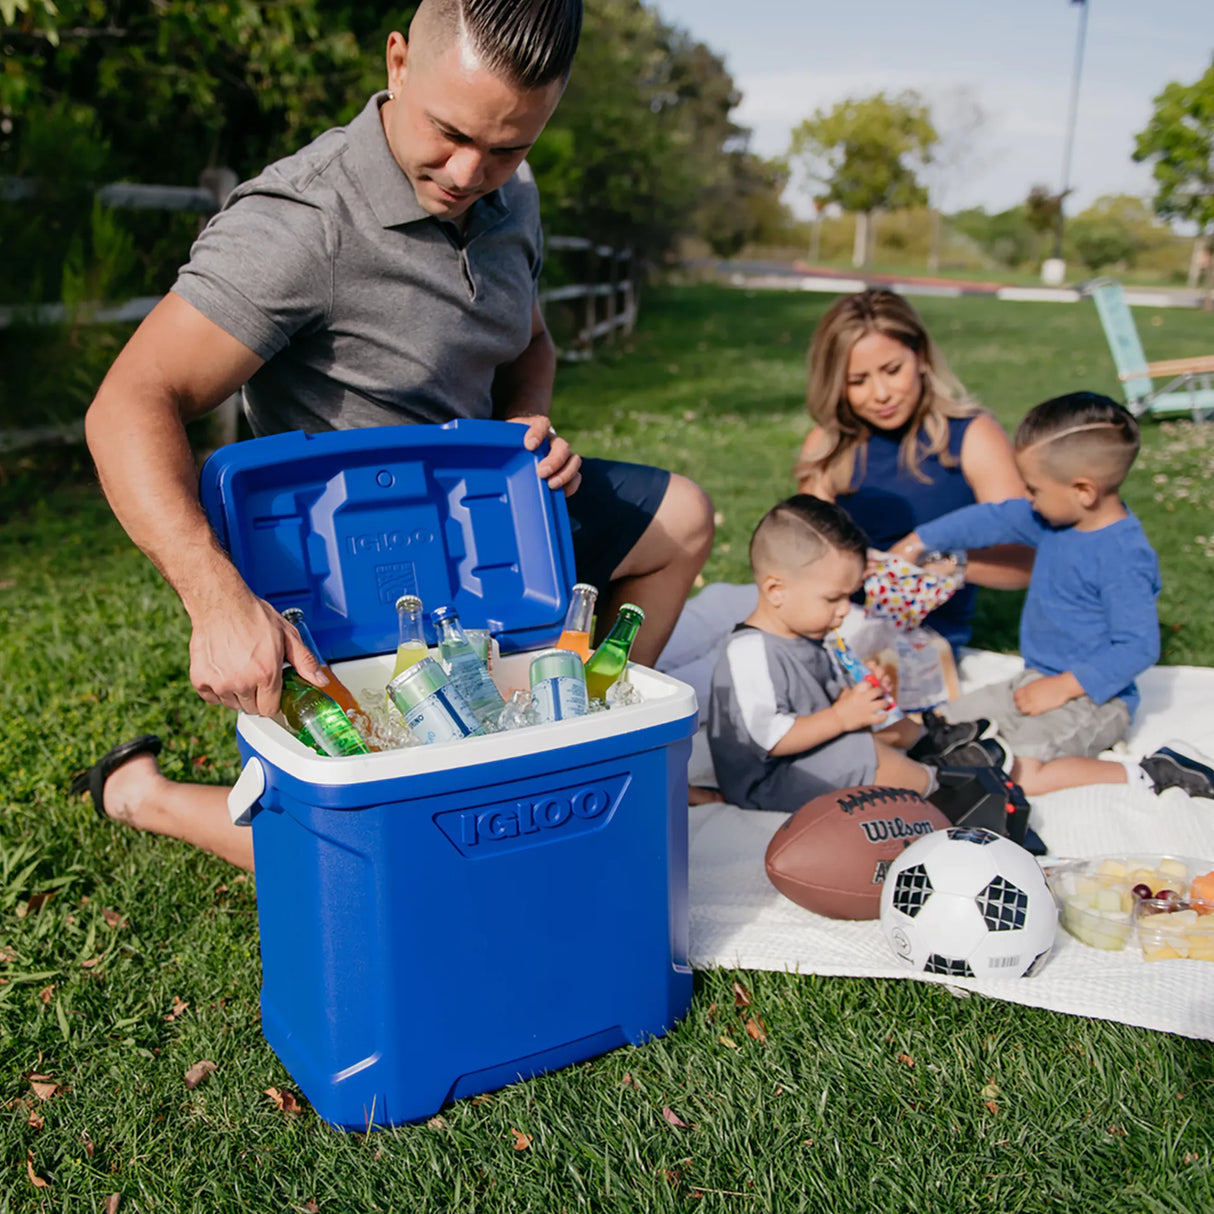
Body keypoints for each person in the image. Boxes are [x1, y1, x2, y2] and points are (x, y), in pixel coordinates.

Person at [73, 0, 713, 870]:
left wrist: (525, 426)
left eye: (508, 146)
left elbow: (530, 340)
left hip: (485, 534)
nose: (470, 172)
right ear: (398, 62)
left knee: (682, 518)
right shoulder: (301, 221)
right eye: (450, 133)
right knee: (400, 859)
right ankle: (141, 794)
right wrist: (215, 599)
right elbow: (129, 401)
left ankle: (572, 750)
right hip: (349, 571)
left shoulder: (511, 194)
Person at [895, 391, 1214, 800]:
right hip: (1032, 680)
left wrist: (1064, 686)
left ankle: (1152, 772)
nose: (1028, 500)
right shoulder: (1054, 519)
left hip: (1094, 699)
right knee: (934, 727)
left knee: (1021, 772)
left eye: (1034, 489)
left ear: (1083, 490)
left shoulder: (1123, 557)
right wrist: (919, 540)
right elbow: (993, 518)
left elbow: (1138, 645)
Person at [706, 495, 996, 813]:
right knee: (864, 753)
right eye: (833, 598)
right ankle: (944, 797)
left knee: (877, 725)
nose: (845, 609)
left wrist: (863, 692)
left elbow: (828, 698)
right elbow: (768, 737)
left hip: (815, 752)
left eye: (849, 595)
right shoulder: (749, 651)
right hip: (769, 783)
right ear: (777, 591)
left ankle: (930, 744)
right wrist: (841, 718)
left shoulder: (811, 635)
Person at [794, 288, 1032, 650]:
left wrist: (949, 565)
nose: (881, 394)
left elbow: (1026, 559)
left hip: (922, 645)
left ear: (920, 356)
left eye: (892, 370)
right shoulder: (827, 445)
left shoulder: (972, 436)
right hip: (833, 629)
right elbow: (802, 556)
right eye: (858, 381)